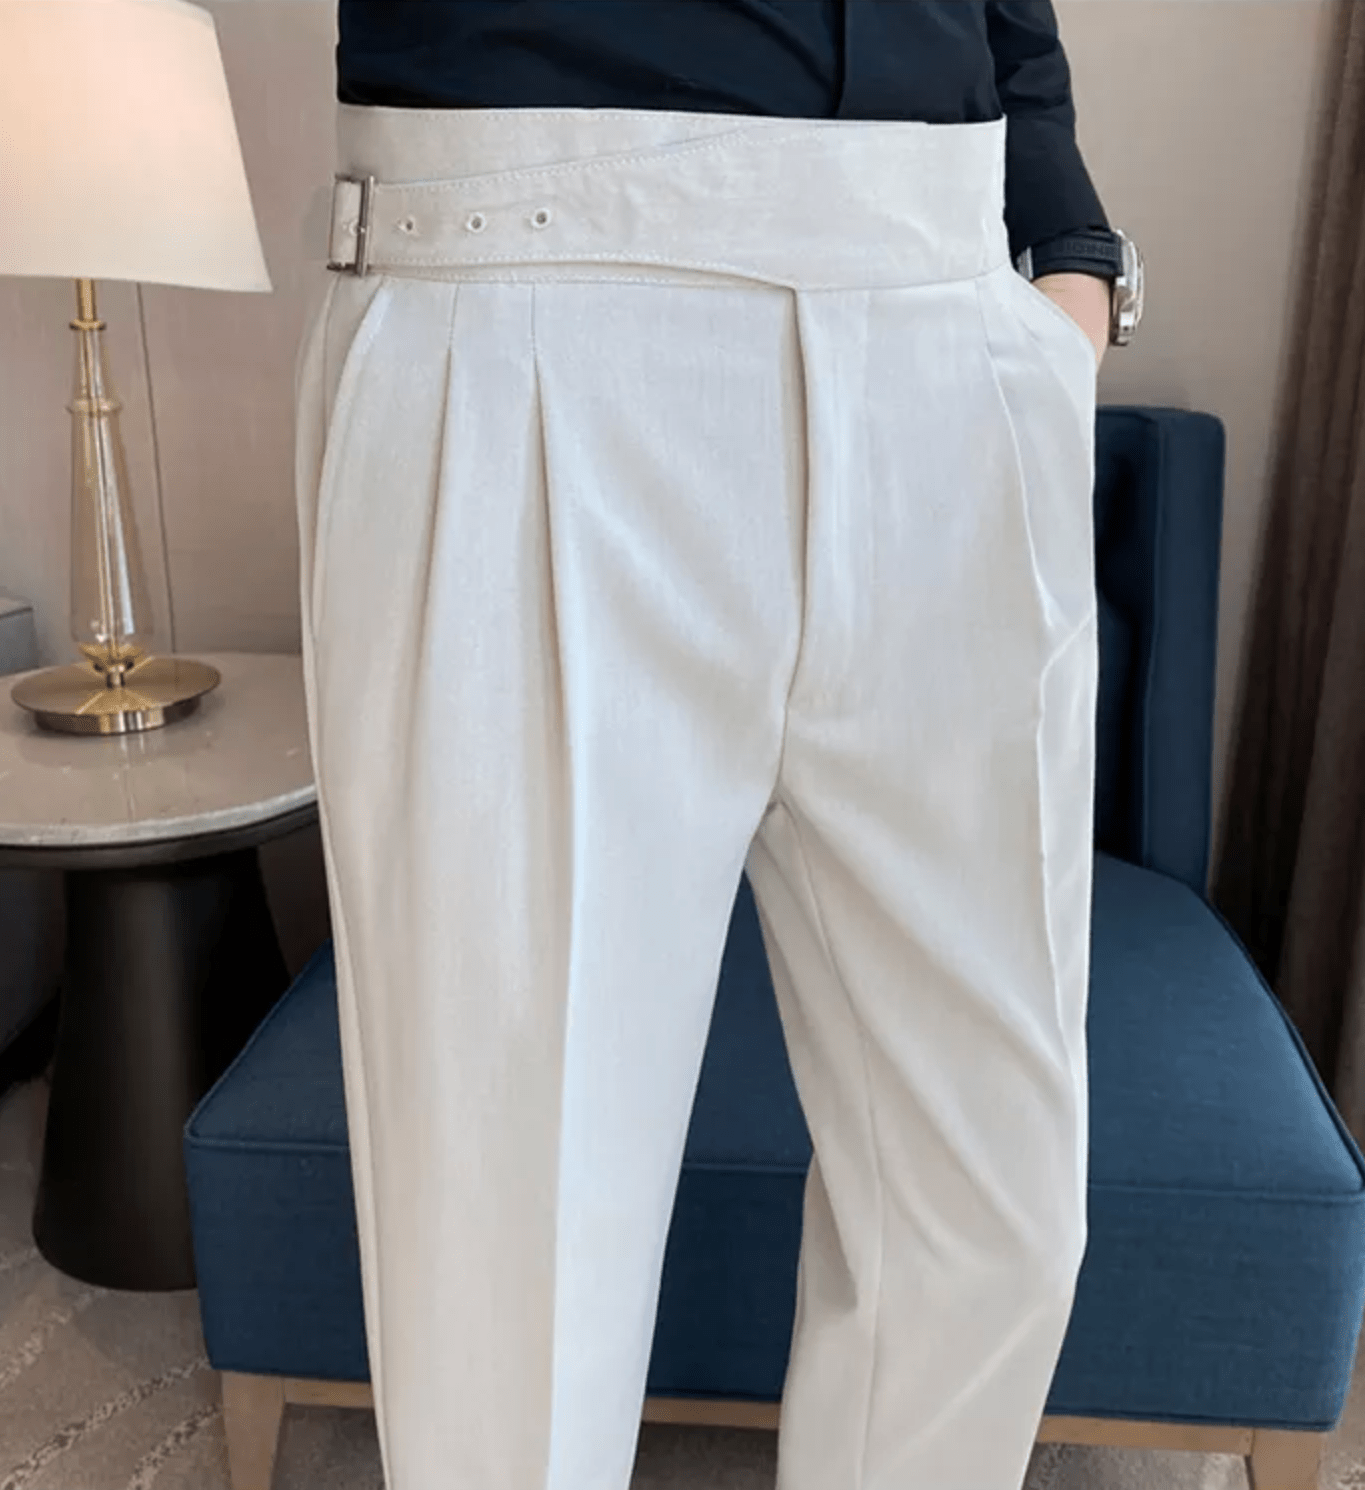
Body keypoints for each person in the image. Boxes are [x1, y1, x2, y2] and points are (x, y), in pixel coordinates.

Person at [295, 4, 1144, 1488]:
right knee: (509, 1279)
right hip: (529, 287)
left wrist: (1065, 255)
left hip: (944, 316)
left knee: (992, 1215)